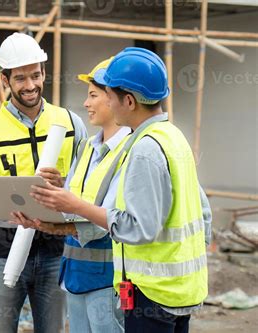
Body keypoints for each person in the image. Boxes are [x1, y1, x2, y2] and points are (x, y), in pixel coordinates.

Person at [17, 47, 212, 333]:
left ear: (129, 101)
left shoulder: (144, 148)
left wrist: (74, 206)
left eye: (106, 95)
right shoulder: (173, 137)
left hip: (151, 292)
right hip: (178, 290)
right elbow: (203, 218)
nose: (98, 101)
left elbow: (137, 228)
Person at [0, 32, 88, 333]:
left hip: (57, 251)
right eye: (20, 78)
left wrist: (63, 189)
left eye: (35, 75)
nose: (30, 85)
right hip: (3, 250)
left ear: (44, 73)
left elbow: (89, 185)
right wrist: (4, 203)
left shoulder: (69, 123)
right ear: (5, 79)